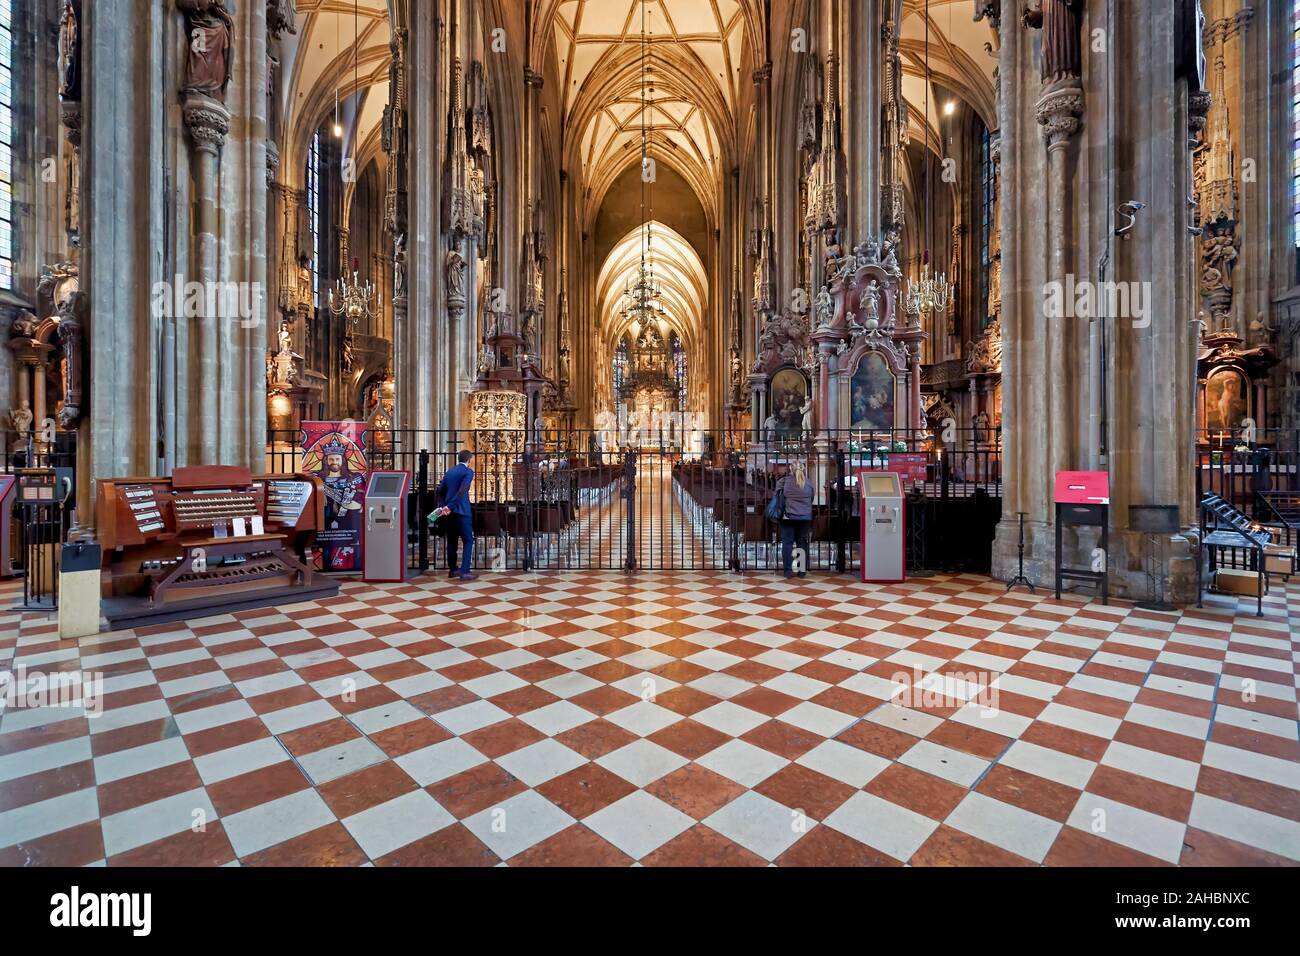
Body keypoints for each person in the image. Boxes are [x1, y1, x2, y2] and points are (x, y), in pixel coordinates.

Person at [434, 450, 476, 580]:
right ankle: (465, 571)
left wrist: (444, 507)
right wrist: (450, 506)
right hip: (462, 511)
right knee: (468, 540)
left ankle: (453, 570)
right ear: (469, 460)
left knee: (452, 540)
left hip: (449, 513)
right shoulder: (468, 472)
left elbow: (440, 491)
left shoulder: (449, 472)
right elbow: (463, 490)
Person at [779, 458, 814, 579]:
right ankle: (802, 570)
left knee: (787, 543)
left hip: (788, 516)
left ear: (790, 469)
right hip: (805, 516)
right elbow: (811, 498)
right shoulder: (808, 483)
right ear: (803, 469)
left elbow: (778, 496)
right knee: (802, 542)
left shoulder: (784, 482)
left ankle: (788, 571)